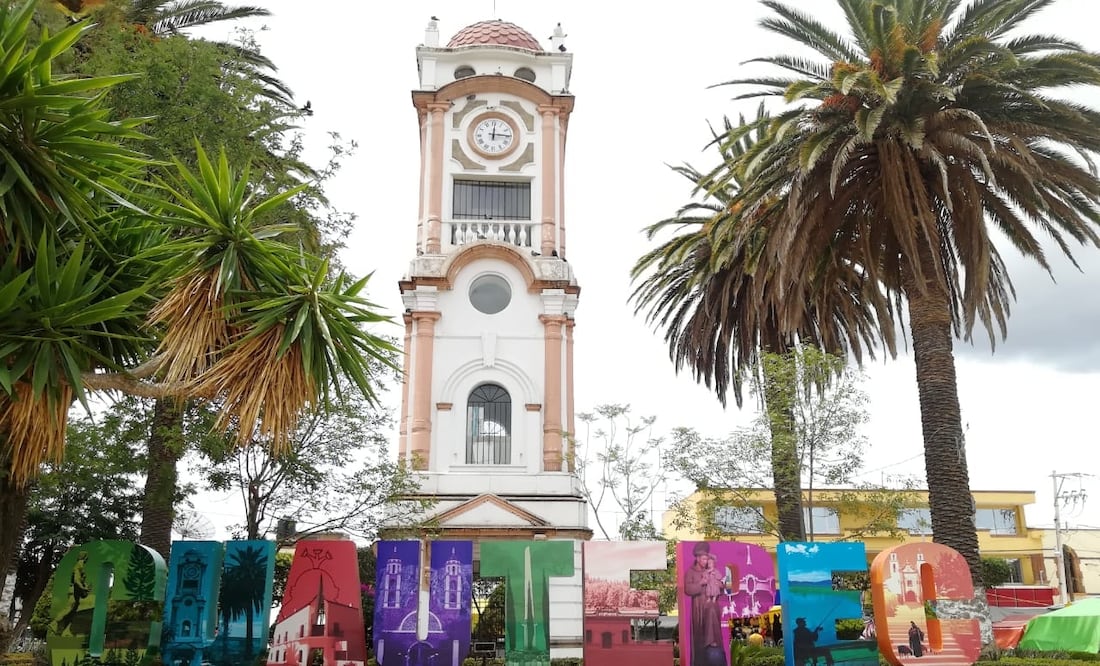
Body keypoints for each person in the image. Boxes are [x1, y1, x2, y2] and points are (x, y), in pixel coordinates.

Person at [684, 543, 727, 666]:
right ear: (697, 558)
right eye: (704, 558)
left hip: (712, 604)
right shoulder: (691, 572)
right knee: (700, 635)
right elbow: (687, 589)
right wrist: (701, 583)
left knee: (713, 612)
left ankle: (713, 642)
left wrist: (721, 586)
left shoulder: (711, 570)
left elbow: (720, 585)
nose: (706, 561)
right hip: (699, 607)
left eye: (707, 558)